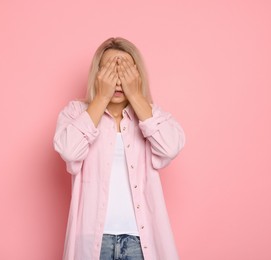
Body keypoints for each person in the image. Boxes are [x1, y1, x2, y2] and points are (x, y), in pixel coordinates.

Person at [54, 37, 185, 260]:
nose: (117, 81)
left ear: (137, 76)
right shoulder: (76, 113)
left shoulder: (152, 115)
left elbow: (170, 147)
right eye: (109, 71)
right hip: (91, 240)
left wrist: (135, 95)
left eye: (124, 72)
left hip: (140, 242)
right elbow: (68, 150)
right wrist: (102, 97)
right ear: (97, 75)